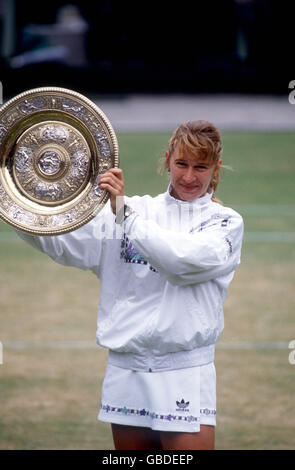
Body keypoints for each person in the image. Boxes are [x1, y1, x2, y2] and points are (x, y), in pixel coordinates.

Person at [17, 120, 244, 450]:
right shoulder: (131, 210)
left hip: (183, 370)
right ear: (168, 160)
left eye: (201, 166)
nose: (190, 176)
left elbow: (180, 263)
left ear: (216, 168)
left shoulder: (224, 223)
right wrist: (16, 202)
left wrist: (126, 215)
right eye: (181, 164)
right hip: (126, 369)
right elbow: (62, 243)